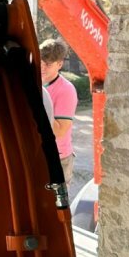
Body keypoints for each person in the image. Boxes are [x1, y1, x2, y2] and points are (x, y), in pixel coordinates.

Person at [40, 39, 78, 186]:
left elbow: (60, 131)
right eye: (41, 62)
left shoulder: (66, 90)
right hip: (37, 154)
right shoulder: (35, 82)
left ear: (60, 64)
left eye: (48, 64)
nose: (42, 68)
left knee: (55, 201)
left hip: (58, 158)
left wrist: (38, 105)